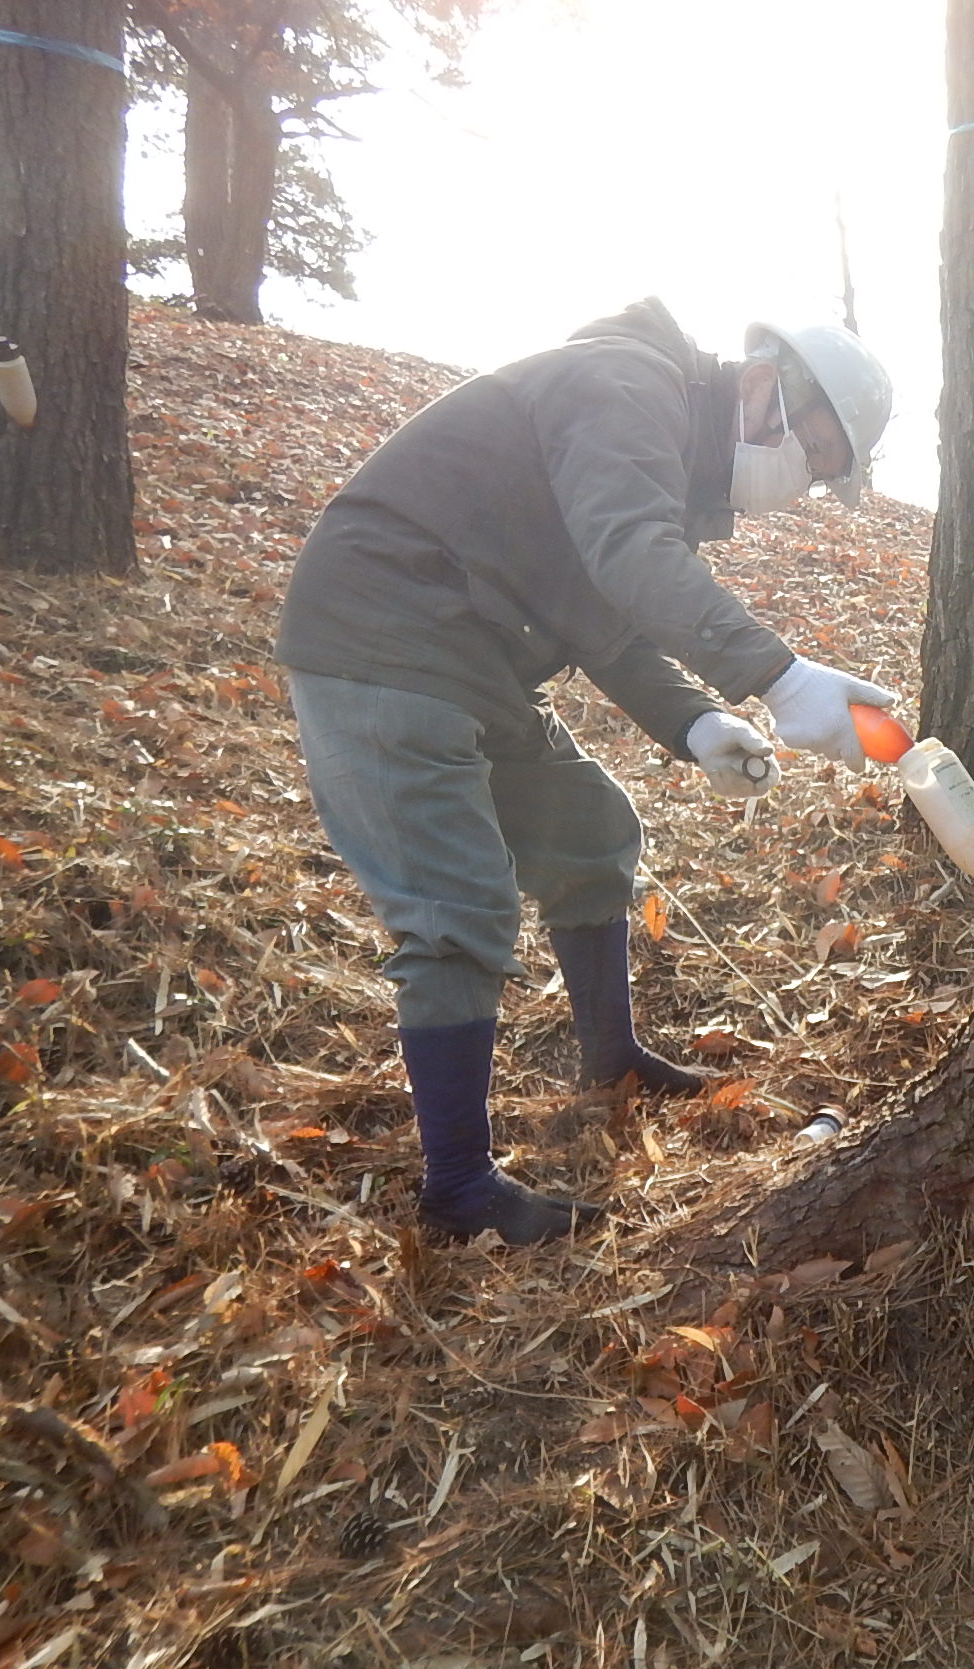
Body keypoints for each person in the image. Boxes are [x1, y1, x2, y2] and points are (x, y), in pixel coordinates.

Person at [274, 300, 898, 1247]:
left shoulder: (666, 448)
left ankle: (611, 1056)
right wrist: (779, 677)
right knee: (456, 910)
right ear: (765, 385)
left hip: (470, 650)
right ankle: (458, 1188)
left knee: (590, 832)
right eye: (811, 454)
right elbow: (630, 557)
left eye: (820, 475)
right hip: (381, 639)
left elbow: (605, 607)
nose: (801, 483)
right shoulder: (627, 385)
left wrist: (694, 722)